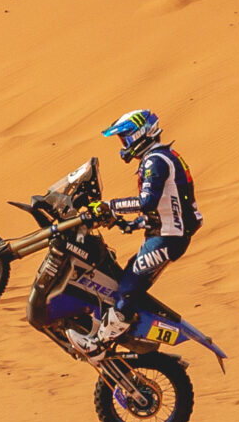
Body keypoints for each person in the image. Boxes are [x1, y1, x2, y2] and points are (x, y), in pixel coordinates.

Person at [84, 107, 199, 346]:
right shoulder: (163, 156)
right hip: (167, 234)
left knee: (127, 289)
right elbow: (170, 205)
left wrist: (110, 206)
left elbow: (148, 202)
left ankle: (100, 344)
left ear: (140, 134)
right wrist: (133, 224)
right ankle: (125, 327)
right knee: (124, 277)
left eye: (125, 137)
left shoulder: (155, 161)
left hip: (168, 238)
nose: (123, 144)